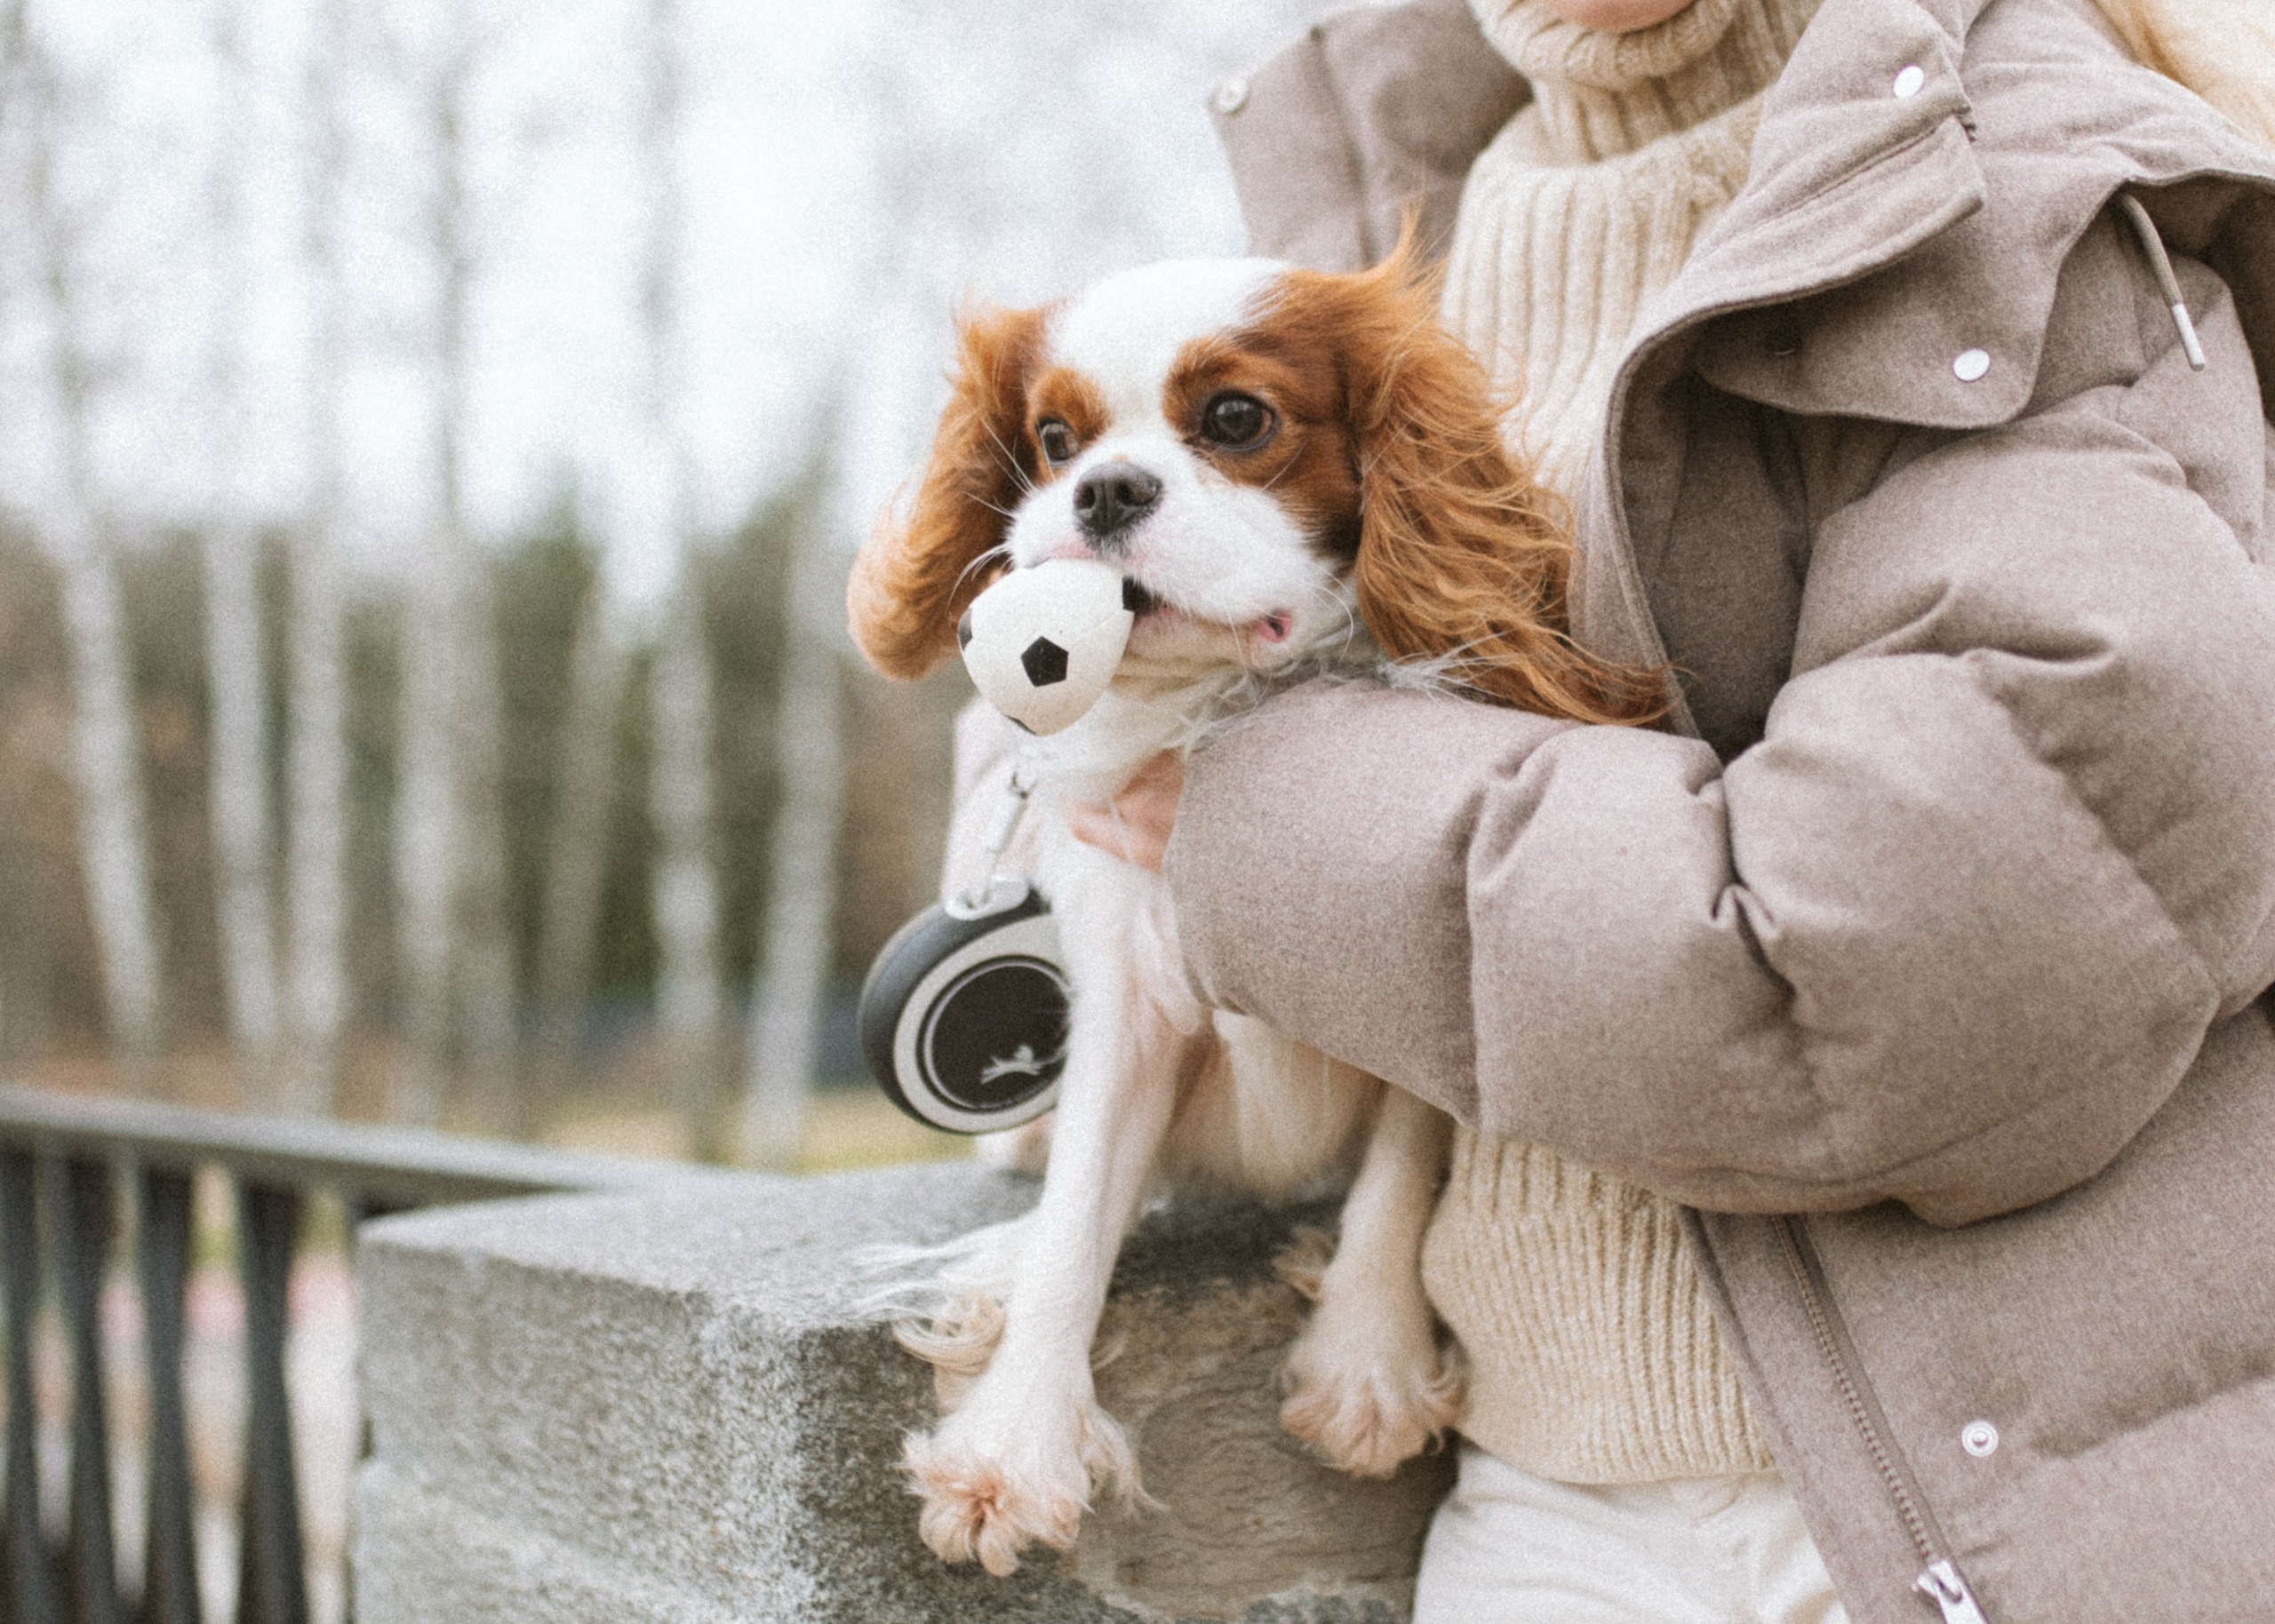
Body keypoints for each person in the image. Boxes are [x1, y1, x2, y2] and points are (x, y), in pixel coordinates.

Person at [985, 0, 2275, 1618]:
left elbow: (1914, 956)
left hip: (1961, 1502)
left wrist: (1251, 817)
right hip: (1537, 1490)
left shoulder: (2027, 181)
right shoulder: (1387, 216)